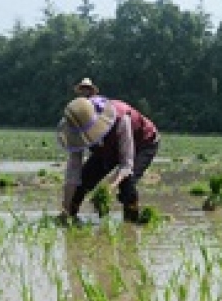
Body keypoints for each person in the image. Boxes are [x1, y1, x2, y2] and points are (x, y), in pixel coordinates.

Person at [56, 95, 159, 224]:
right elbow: (73, 171)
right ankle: (70, 216)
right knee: (82, 182)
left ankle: (131, 222)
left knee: (127, 185)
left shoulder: (121, 119)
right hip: (106, 148)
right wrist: (65, 207)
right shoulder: (76, 131)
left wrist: (108, 188)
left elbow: (126, 164)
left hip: (142, 143)